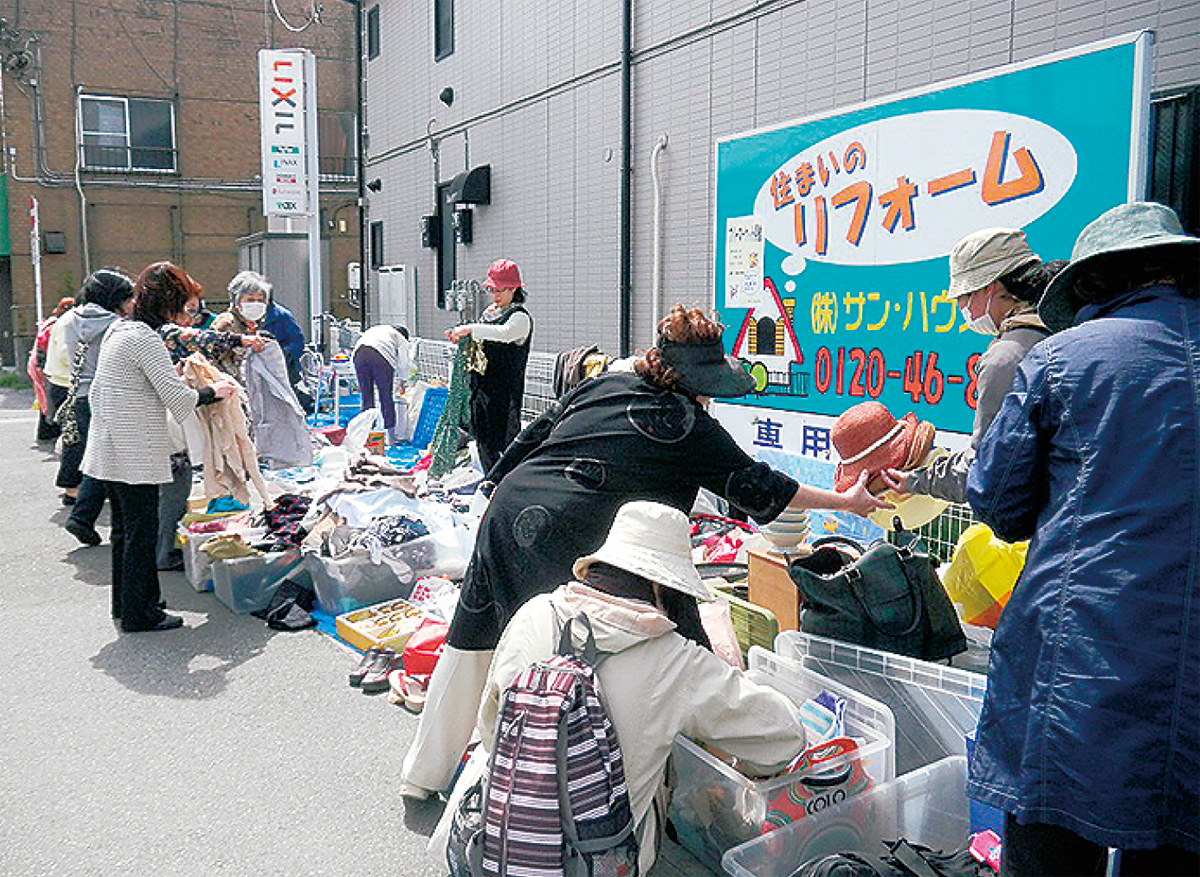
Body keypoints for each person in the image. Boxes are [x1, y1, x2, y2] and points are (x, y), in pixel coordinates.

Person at [402, 304, 889, 798]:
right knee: (554, 665)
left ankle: (422, 776)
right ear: (696, 381)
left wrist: (495, 483)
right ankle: (528, 788)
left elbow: (534, 434)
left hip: (509, 509)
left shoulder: (605, 385)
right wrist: (846, 501)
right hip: (563, 535)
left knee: (473, 642)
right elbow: (761, 487)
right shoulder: (688, 426)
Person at [965, 202, 1199, 877]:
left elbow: (999, 504)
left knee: (1053, 839)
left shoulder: (1062, 358)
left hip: (1080, 663)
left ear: (1096, 283)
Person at [430, 501, 809, 874]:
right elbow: (785, 737)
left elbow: (490, 725)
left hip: (498, 841)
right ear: (666, 587)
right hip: (595, 862)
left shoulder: (534, 612)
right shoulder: (676, 660)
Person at [82, 262, 238, 632]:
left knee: (124, 531)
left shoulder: (120, 331)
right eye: (185, 307)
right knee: (141, 532)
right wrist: (212, 391)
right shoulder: (144, 339)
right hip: (133, 450)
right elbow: (177, 399)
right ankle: (142, 613)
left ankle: (128, 604)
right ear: (169, 303)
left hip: (110, 445)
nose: (189, 316)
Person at [881, 229, 1063, 503]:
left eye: (964, 296)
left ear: (989, 288)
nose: (962, 307)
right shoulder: (1066, 327)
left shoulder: (1006, 358)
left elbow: (985, 467)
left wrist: (915, 481)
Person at [60, 270, 137, 547]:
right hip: (107, 395)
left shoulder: (69, 320)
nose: (131, 303)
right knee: (106, 460)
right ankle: (83, 517)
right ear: (113, 298)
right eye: (127, 297)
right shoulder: (117, 325)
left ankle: (82, 517)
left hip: (79, 394)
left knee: (98, 457)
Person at [444, 258, 532, 473]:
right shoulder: (490, 314)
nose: (496, 295)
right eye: (493, 290)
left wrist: (470, 329)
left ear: (514, 289)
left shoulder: (519, 318)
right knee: (483, 440)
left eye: (501, 290)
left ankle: (504, 483)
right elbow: (481, 337)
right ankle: (490, 481)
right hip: (481, 388)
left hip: (505, 393)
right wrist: (464, 336)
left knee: (505, 441)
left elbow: (504, 334)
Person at [212, 270, 306, 387]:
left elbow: (297, 342)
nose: (256, 304)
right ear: (238, 302)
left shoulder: (271, 319)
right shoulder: (226, 323)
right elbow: (214, 356)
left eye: (260, 300)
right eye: (250, 300)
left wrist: (279, 356)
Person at [351, 323, 411, 445]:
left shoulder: (377, 329)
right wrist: (403, 381)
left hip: (359, 354)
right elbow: (404, 362)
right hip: (380, 356)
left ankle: (367, 435)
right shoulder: (400, 337)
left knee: (367, 396)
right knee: (386, 396)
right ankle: (391, 437)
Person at [28, 297, 76, 442]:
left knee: (45, 399)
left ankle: (45, 432)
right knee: (52, 401)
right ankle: (50, 433)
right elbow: (46, 346)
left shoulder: (51, 321)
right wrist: (42, 366)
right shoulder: (59, 323)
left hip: (40, 364)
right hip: (48, 366)